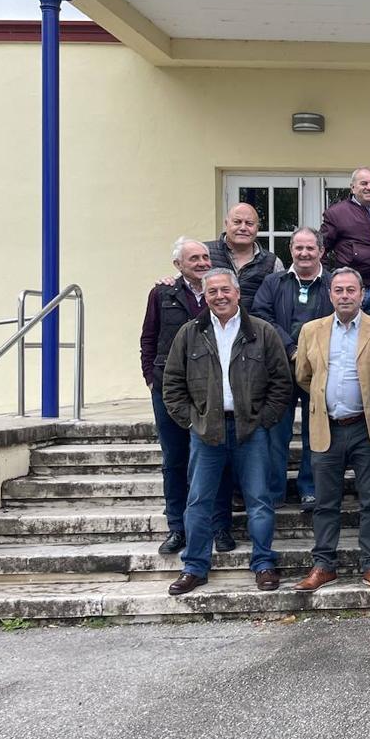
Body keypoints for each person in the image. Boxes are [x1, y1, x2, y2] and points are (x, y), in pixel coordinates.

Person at [162, 269, 291, 595]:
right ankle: (194, 567)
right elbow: (173, 382)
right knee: (198, 502)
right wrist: (192, 420)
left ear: (237, 293)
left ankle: (263, 564)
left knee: (260, 502)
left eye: (225, 290)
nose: (219, 296)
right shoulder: (190, 333)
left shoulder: (261, 331)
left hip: (251, 430)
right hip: (206, 432)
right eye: (212, 292)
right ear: (205, 297)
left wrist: (265, 419)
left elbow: (281, 381)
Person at [291, 268, 370, 594]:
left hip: (366, 430)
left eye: (350, 290)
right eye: (338, 290)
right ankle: (324, 565)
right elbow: (304, 376)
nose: (344, 296)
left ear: (362, 293)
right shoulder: (312, 330)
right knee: (325, 502)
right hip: (327, 428)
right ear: (330, 294)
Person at [140, 237, 231, 555]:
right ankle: (177, 528)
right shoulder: (162, 293)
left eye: (206, 257)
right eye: (195, 258)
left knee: (215, 459)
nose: (203, 262)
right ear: (178, 265)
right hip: (169, 389)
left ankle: (220, 527)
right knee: (175, 461)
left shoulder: (221, 293)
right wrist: (151, 379)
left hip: (211, 390)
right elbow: (149, 337)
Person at [251, 227, 334, 511]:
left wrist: (311, 354)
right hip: (279, 369)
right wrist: (290, 348)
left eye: (310, 248)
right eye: (299, 248)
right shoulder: (274, 282)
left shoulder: (333, 283)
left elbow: (339, 319)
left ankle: (309, 488)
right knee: (277, 432)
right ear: (291, 250)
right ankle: (274, 491)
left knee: (316, 432)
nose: (304, 253)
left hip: (320, 369)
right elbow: (261, 315)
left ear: (321, 251)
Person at [319, 166, 370, 319]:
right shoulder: (337, 213)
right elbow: (321, 248)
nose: (369, 188)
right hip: (350, 290)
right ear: (353, 187)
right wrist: (328, 277)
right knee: (348, 334)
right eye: (364, 183)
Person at [204, 202, 284, 309]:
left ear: (257, 228)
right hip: (211, 324)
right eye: (237, 222)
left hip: (255, 325)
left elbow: (281, 300)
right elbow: (184, 284)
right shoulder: (205, 253)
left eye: (249, 223)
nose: (243, 228)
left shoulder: (272, 263)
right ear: (226, 223)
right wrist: (173, 282)